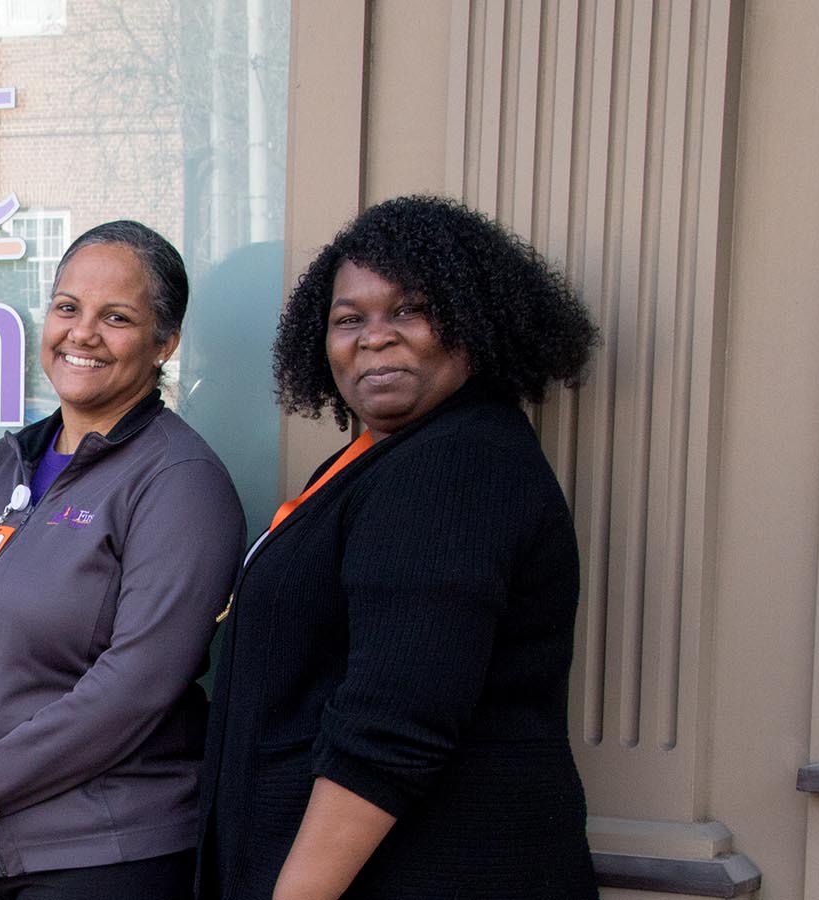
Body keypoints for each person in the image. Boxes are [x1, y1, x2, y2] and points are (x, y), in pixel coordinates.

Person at [200, 195, 601, 899]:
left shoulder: (455, 466)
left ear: (474, 323)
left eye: (409, 311)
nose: (374, 337)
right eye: (348, 318)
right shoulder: (378, 460)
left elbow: (390, 727)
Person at [0, 221, 246, 900]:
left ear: (164, 343)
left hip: (100, 855)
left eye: (116, 317)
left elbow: (137, 683)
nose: (82, 333)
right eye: (67, 308)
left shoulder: (180, 480)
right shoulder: (2, 466)